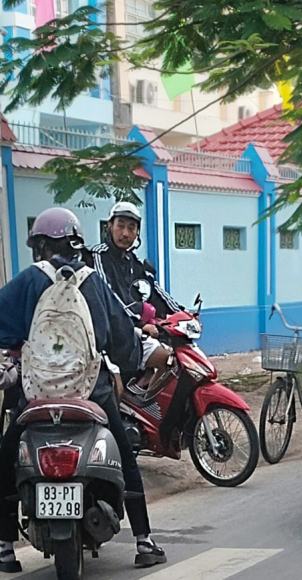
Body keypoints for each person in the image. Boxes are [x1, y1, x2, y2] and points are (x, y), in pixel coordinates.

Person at [0, 208, 166, 572]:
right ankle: (143, 541)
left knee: (8, 453)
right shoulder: (93, 282)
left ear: (39, 246)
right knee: (124, 452)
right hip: (91, 392)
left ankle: (5, 548)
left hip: (36, 396)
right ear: (76, 244)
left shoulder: (28, 281)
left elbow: (5, 329)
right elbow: (121, 342)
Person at [91, 202, 181, 393]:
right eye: (120, 225)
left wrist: (183, 314)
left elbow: (155, 291)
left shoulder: (135, 263)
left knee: (172, 362)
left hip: (136, 337)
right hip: (110, 341)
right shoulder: (98, 256)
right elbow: (111, 298)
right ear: (109, 226)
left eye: (131, 228)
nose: (125, 233)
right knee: (117, 392)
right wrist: (139, 324)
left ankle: (146, 406)